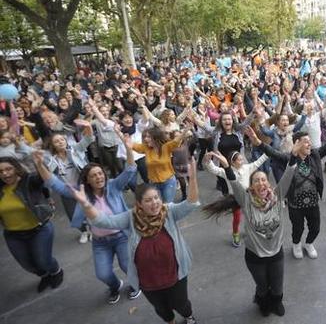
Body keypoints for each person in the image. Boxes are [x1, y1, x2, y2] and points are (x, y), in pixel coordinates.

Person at [70, 158, 201, 324]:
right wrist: (85, 204)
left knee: (181, 303)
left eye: (156, 198)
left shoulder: (168, 211)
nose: (154, 203)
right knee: (161, 308)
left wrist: (193, 178)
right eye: (148, 200)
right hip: (148, 279)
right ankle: (170, 321)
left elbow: (191, 203)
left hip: (176, 273)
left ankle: (188, 317)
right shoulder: (130, 217)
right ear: (139, 204)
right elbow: (104, 222)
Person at [39, 132, 142, 304]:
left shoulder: (114, 186)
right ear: (86, 179)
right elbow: (54, 183)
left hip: (122, 237)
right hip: (100, 242)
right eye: (93, 175)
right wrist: (38, 164)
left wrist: (128, 149)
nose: (98, 177)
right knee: (103, 274)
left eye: (100, 173)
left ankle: (135, 285)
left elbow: (130, 169)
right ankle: (115, 286)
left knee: (127, 266)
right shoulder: (82, 193)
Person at [203, 141, 298, 317]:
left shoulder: (277, 196)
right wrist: (225, 166)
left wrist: (294, 154)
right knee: (262, 286)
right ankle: (263, 303)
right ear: (251, 187)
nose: (261, 183)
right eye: (256, 181)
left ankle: (276, 302)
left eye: (264, 179)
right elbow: (234, 182)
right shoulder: (245, 201)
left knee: (277, 285)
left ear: (268, 184)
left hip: (276, 253)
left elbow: (289, 172)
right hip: (255, 257)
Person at [245, 115, 326, 259]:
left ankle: (309, 243)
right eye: (306, 142)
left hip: (313, 202)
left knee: (315, 228)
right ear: (296, 144)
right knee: (297, 229)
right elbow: (273, 153)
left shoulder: (315, 155)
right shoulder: (289, 158)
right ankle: (296, 244)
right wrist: (259, 143)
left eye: (309, 142)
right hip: (295, 204)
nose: (309, 144)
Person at [0, 155, 63, 292]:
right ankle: (45, 275)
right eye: (1, 171)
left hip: (39, 229)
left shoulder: (29, 181)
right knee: (28, 265)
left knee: (43, 260)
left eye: (8, 169)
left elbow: (44, 177)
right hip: (13, 234)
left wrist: (40, 164)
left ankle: (56, 271)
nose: (5, 173)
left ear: (16, 168)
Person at [205, 150, 269, 247]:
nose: (242, 161)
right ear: (232, 162)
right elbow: (214, 169)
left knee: (253, 215)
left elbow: (257, 162)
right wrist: (209, 161)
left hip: (249, 197)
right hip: (235, 199)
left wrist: (267, 152)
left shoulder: (247, 168)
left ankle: (252, 230)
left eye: (242, 159)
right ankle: (235, 234)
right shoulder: (226, 171)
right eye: (239, 160)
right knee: (237, 218)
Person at [131, 127, 191, 203]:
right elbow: (132, 145)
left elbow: (176, 141)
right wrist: (120, 134)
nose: (146, 139)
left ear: (156, 137)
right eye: (145, 137)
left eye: (148, 137)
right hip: (153, 183)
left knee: (167, 205)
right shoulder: (146, 148)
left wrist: (185, 130)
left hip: (168, 182)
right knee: (158, 205)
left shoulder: (166, 147)